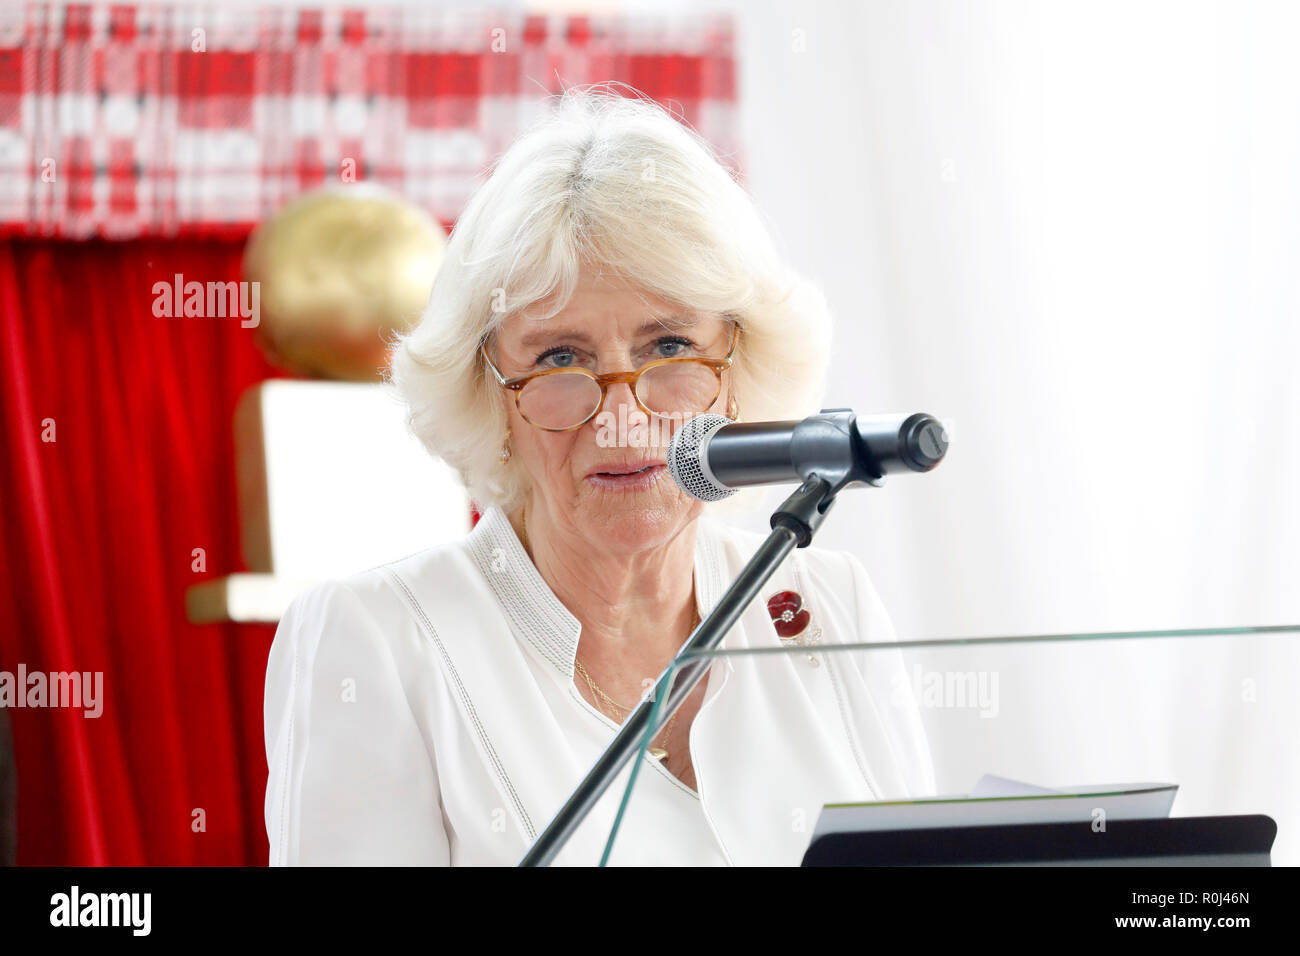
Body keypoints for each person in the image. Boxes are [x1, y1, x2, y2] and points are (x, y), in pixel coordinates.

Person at [264, 88, 935, 866]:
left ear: (739, 369)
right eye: (560, 358)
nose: (622, 416)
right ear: (491, 394)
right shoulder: (379, 639)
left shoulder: (828, 607)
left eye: (669, 346)